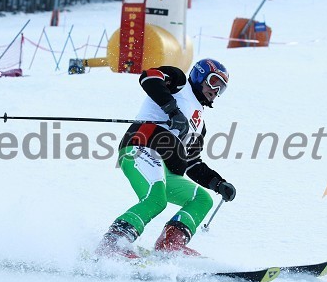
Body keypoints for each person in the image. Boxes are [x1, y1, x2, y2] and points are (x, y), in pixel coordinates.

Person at [95, 58, 236, 259]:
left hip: (166, 168)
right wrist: (172, 110)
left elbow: (193, 162)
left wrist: (218, 183)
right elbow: (149, 77)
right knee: (156, 199)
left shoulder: (200, 125)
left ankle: (170, 244)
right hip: (141, 147)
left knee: (202, 199)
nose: (216, 90)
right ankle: (113, 243)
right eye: (213, 82)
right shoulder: (179, 83)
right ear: (200, 75)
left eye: (221, 88)